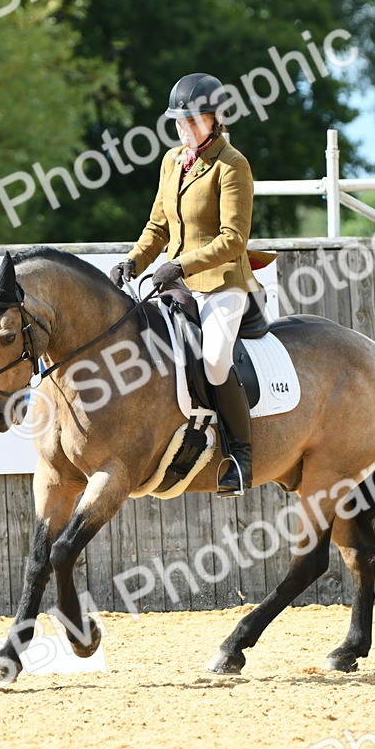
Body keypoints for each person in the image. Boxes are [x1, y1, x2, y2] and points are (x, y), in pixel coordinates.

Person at [110, 72, 258, 497]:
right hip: (176, 283)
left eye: (194, 121)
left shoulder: (233, 165)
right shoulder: (172, 161)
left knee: (213, 359)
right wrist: (133, 261)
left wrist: (181, 265)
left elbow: (234, 240)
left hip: (220, 284)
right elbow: (157, 225)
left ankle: (241, 457)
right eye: (179, 122)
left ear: (216, 119)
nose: (186, 129)